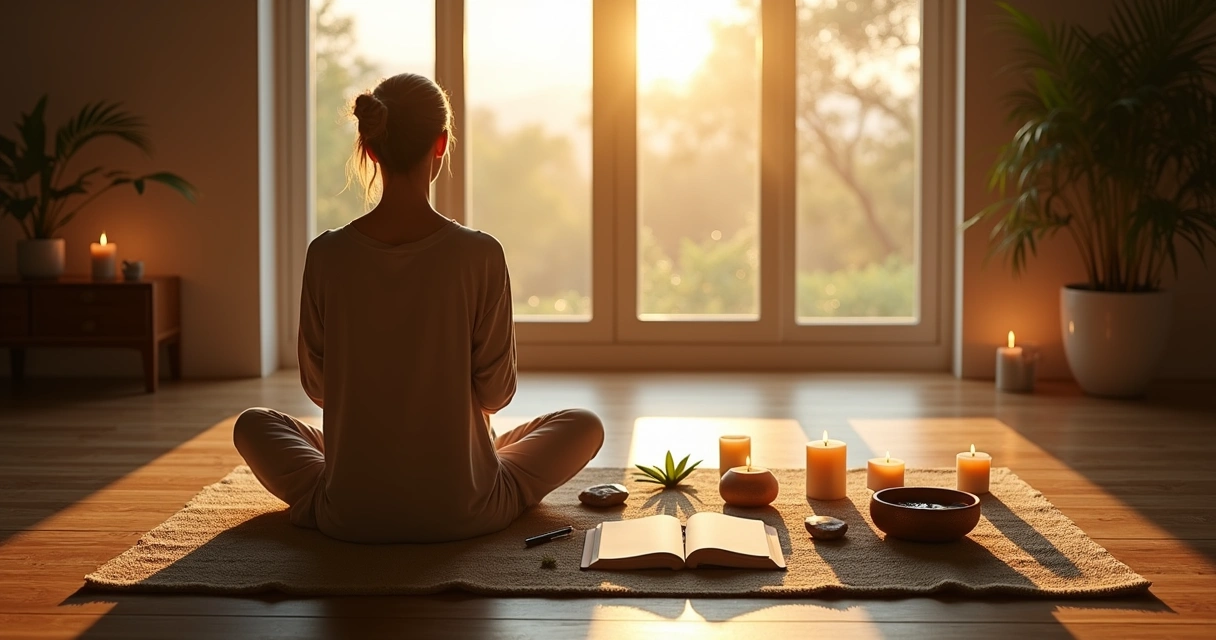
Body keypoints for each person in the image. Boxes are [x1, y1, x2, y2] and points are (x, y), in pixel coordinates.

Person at [232, 73, 604, 543]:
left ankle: (378, 479)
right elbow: (495, 395)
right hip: (467, 510)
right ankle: (484, 455)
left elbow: (321, 389)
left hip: (349, 512)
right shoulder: (480, 254)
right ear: (442, 144)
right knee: (584, 426)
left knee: (252, 425)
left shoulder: (326, 254)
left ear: (368, 147)